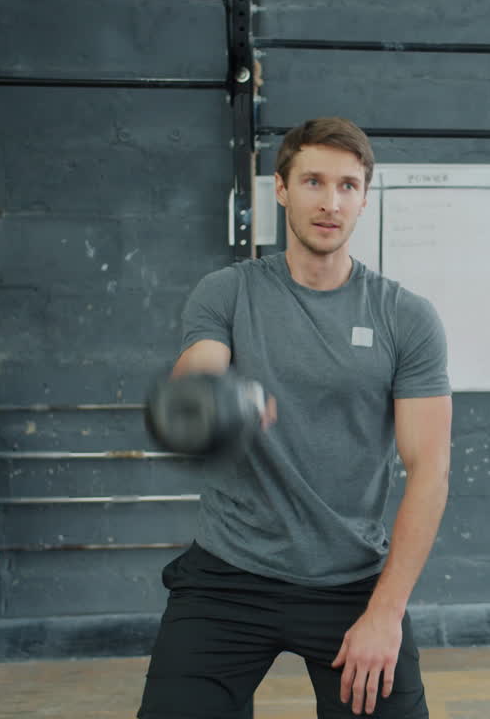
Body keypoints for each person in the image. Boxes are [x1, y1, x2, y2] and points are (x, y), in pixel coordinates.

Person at [138, 117, 452, 719]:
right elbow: (197, 372)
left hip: (350, 581)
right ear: (280, 189)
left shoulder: (404, 316)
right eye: (312, 182)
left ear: (364, 198)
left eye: (347, 186)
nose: (330, 202)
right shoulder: (227, 292)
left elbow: (430, 470)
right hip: (228, 574)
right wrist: (217, 399)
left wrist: (384, 614)